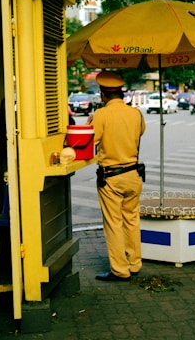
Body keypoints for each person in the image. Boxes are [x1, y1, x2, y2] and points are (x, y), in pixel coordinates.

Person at [87, 71, 146, 281]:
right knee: (132, 220)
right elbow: (140, 133)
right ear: (122, 93)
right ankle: (135, 263)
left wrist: (89, 123)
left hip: (111, 177)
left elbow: (88, 142)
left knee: (114, 223)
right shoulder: (136, 114)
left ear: (103, 94)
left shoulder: (101, 115)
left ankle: (120, 270)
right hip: (134, 175)